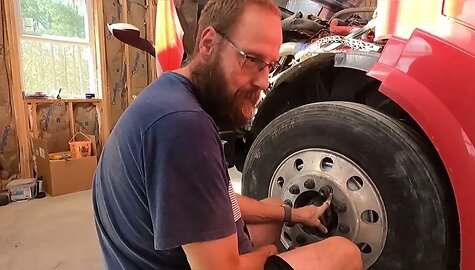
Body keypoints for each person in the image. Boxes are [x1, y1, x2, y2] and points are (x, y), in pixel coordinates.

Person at [92, 0, 363, 269]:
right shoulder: (183, 127)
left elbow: (219, 199)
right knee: (343, 252)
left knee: (272, 209)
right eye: (253, 60)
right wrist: (270, 253)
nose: (264, 81)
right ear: (208, 44)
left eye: (269, 64)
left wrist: (294, 213)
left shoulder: (170, 98)